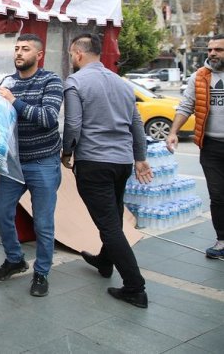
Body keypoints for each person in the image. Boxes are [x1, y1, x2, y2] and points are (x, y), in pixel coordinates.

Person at [61, 33, 153, 309]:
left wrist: (67, 152)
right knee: (111, 215)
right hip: (121, 163)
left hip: (94, 163)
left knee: (109, 225)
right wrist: (140, 157)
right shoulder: (123, 84)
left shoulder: (75, 82)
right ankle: (104, 260)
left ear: (78, 53)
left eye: (71, 55)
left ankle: (135, 287)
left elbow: (73, 124)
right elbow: (136, 123)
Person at [0, 34, 63, 297]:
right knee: (0, 212)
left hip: (43, 161)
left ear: (39, 55)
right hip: (13, 163)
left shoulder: (51, 81)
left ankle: (42, 272)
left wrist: (14, 101)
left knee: (43, 223)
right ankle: (15, 258)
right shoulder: (7, 82)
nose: (19, 53)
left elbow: (48, 118)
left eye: (25, 49)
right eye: (17, 49)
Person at [166, 34, 224, 259]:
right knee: (218, 195)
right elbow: (186, 105)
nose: (212, 53)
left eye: (218, 50)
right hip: (210, 146)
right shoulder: (200, 76)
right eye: (210, 49)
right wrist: (173, 132)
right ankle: (221, 241)